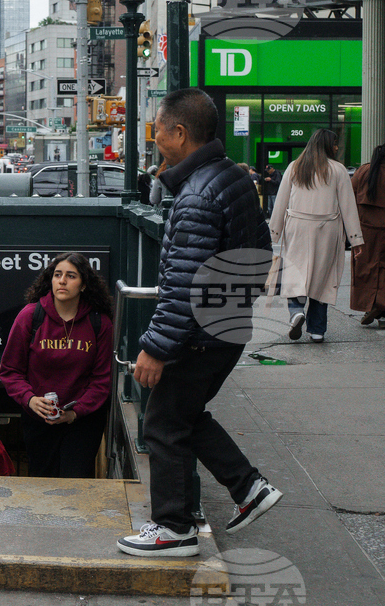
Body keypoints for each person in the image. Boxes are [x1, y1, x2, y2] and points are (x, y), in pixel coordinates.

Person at [117, 88, 281, 558]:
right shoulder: (232, 179)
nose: (154, 136)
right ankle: (248, 488)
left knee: (163, 425)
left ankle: (173, 528)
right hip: (226, 328)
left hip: (200, 335)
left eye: (158, 128)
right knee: (184, 415)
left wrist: (155, 347)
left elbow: (184, 285)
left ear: (180, 132)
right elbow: (260, 253)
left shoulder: (197, 196)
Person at [0, 252, 113, 478]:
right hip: (39, 419)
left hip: (82, 420)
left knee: (76, 485)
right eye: (57, 275)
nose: (62, 281)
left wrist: (74, 413)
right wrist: (30, 399)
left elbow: (101, 381)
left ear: (83, 285)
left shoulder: (100, 323)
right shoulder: (30, 316)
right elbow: (10, 371)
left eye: (71, 276)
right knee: (42, 485)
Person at [270, 129, 364, 343]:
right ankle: (317, 329)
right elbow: (348, 207)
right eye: (335, 143)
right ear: (327, 146)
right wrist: (356, 239)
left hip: (297, 226)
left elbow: (281, 201)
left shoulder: (295, 167)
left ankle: (296, 311)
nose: (337, 147)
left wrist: (274, 232)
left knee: (295, 271)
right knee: (323, 277)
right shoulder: (338, 170)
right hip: (327, 228)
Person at [350, 141, 385, 325]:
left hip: (365, 231)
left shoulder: (364, 171)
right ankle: (383, 308)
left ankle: (373, 305)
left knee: (366, 270)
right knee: (384, 270)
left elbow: (349, 197)